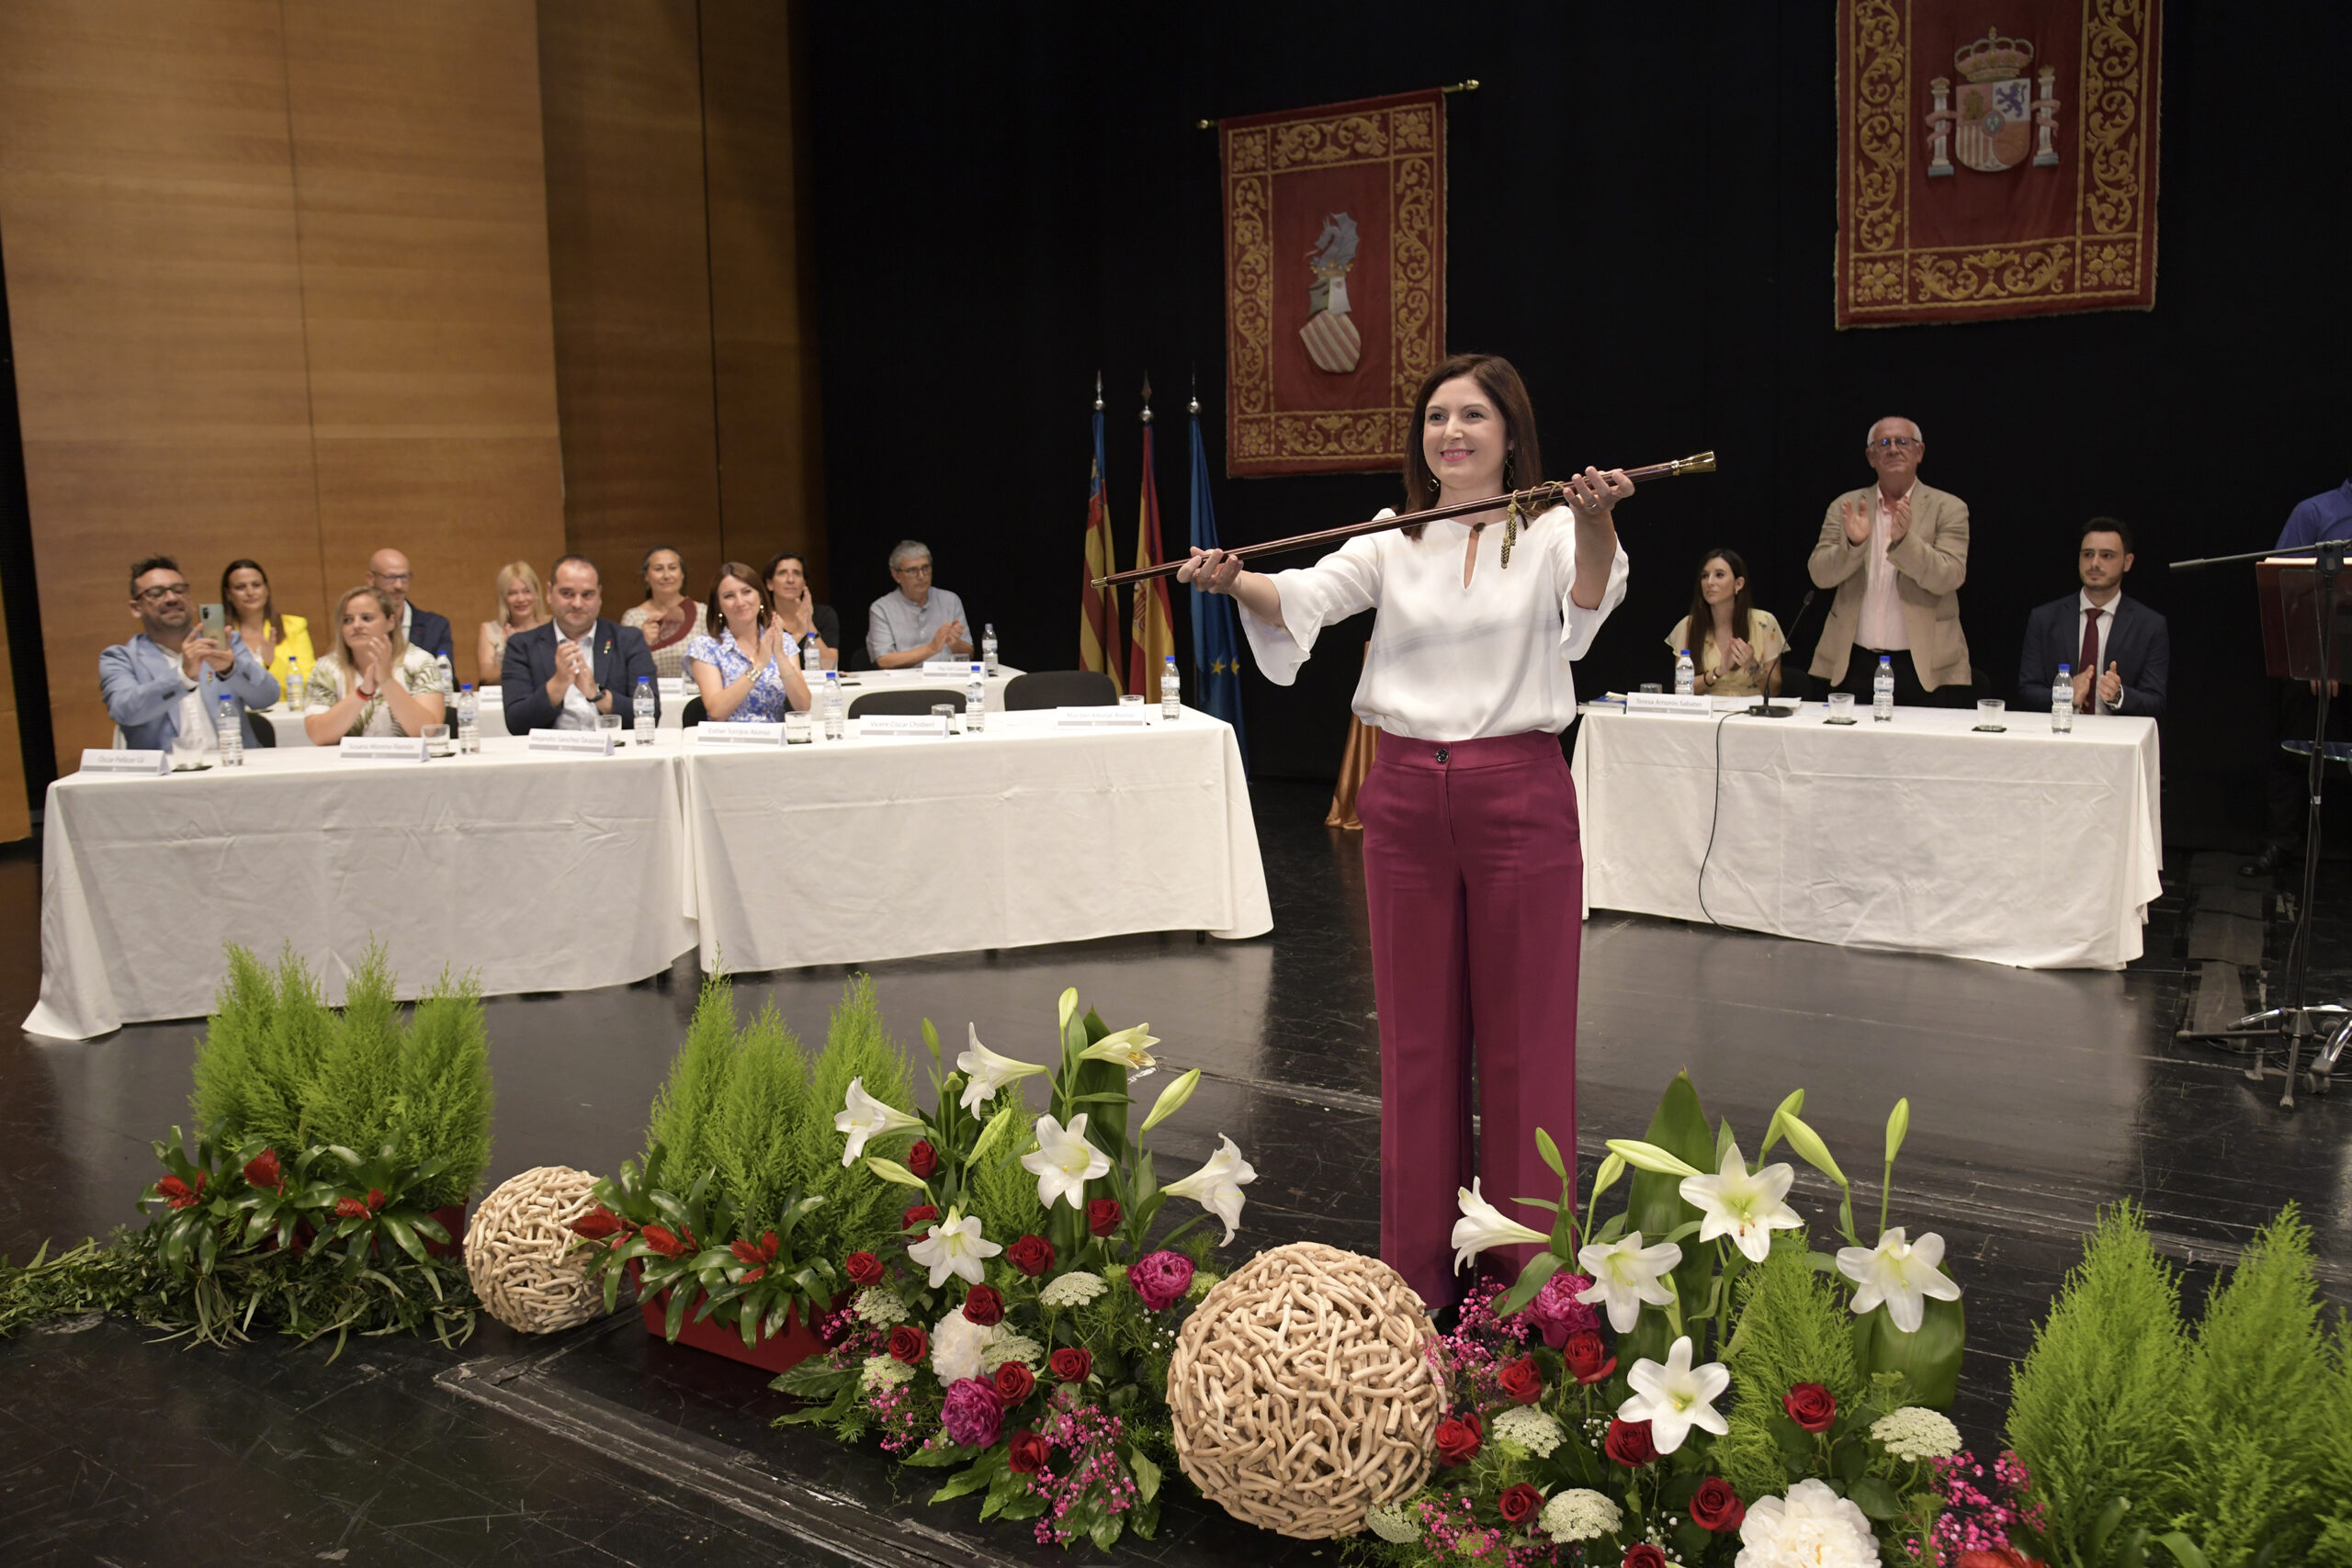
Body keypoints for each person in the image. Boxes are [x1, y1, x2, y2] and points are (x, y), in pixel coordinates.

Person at [1180, 351, 1631, 1311]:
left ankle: (1530, 1290)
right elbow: (1304, 599)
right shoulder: (1392, 534)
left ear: (1511, 435)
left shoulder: (1550, 526)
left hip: (1518, 794)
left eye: (1472, 416)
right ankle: (1417, 1281)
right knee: (1417, 1050)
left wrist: (1594, 519)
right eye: (1436, 418)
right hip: (1404, 801)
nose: (1451, 433)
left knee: (1526, 1048)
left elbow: (1587, 596)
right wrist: (1236, 584)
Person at [1806, 417, 1972, 706]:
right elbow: (1820, 574)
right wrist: (1855, 545)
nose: (1893, 449)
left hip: (1924, 667)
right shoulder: (1846, 505)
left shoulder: (1949, 507)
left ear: (1920, 453)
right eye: (1884, 443)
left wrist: (1906, 543)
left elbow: (1950, 576)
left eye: (1902, 442)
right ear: (1871, 457)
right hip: (1853, 661)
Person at [2244, 479, 2352, 874]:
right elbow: (2286, 583)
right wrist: (2320, 656)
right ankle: (2281, 844)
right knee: (2294, 752)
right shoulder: (2316, 512)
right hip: (2322, 654)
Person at [101, 555, 280, 761]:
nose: (171, 598)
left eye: (179, 590)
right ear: (135, 608)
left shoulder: (224, 644)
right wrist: (182, 677)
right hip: (166, 779)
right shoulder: (120, 658)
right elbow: (125, 711)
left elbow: (268, 697)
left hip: (235, 767)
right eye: (156, 593)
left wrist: (231, 669)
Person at [2017, 519, 2169, 718]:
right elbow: (2026, 691)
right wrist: (2066, 694)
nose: (2095, 563)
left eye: (2107, 555)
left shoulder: (2150, 625)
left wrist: (2119, 695)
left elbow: (2156, 702)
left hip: (2117, 740)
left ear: (2128, 562)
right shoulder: (2044, 618)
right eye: (2088, 554)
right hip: (2059, 736)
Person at [499, 555, 658, 733]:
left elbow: (651, 714)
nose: (577, 603)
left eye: (587, 595)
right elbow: (516, 723)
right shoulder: (522, 646)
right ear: (550, 593)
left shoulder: (628, 640)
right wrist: (558, 684)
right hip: (549, 754)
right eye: (567, 594)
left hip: (614, 752)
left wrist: (597, 694)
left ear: (599, 596)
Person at [300, 586, 447, 743]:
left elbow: (428, 731)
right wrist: (363, 692)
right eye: (348, 620)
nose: (356, 625)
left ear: (390, 622)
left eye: (366, 618)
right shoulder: (327, 668)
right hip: (347, 765)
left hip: (408, 764)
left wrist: (387, 681)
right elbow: (319, 736)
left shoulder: (420, 662)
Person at [684, 562, 812, 721]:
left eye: (747, 592)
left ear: (760, 596)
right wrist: (758, 665)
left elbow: (803, 705)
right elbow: (716, 712)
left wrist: (779, 655)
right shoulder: (705, 646)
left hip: (776, 739)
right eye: (729, 596)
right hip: (728, 740)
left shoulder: (783, 640)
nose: (740, 602)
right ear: (718, 605)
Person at [1664, 547, 1785, 697]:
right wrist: (1718, 672)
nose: (1709, 582)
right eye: (1705, 576)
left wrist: (1752, 665)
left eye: (1719, 575)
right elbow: (1680, 689)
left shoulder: (1765, 623)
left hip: (1750, 714)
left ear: (1739, 584)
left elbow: (1774, 691)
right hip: (1706, 714)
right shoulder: (1688, 626)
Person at [866, 540, 973, 669]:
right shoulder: (881, 608)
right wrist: (931, 648)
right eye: (912, 570)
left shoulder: (950, 600)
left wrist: (954, 643)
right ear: (896, 575)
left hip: (946, 680)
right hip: (903, 684)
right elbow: (884, 661)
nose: (921, 576)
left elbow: (969, 653)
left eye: (925, 568)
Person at [221, 558, 314, 703]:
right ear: (228, 594)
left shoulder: (294, 626)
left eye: (256, 585)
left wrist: (272, 664)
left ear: (266, 589)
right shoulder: (222, 635)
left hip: (285, 713)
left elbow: (308, 682)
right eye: (240, 587)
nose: (250, 592)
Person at [619, 545, 707, 680]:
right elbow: (622, 669)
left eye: (672, 568)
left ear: (682, 574)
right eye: (658, 569)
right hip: (652, 695)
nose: (666, 575)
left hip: (696, 696)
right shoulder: (633, 618)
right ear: (646, 576)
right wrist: (642, 643)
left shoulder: (702, 613)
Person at [369, 548, 454, 662]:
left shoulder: (435, 627)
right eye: (390, 578)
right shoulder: (359, 625)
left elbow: (446, 677)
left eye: (404, 577)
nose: (399, 586)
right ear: (371, 579)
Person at [766, 550, 841, 670]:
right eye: (782, 573)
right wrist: (799, 633)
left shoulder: (824, 614)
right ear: (770, 584)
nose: (790, 579)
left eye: (797, 573)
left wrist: (809, 624)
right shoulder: (761, 619)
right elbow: (765, 666)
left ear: (804, 583)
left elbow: (830, 666)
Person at [477, 560, 547, 684]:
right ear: (503, 597)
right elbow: (486, 677)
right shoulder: (490, 630)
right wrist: (512, 654)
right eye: (512, 593)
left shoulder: (551, 625)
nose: (521, 599)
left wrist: (520, 653)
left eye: (526, 591)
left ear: (536, 593)